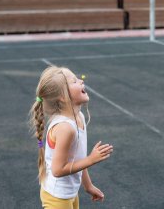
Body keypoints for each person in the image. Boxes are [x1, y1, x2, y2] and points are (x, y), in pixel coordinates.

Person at [29, 66, 113, 209]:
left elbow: (76, 157)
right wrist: (90, 159)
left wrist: (88, 185)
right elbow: (57, 170)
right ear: (63, 96)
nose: (81, 81)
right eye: (74, 81)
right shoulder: (65, 128)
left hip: (69, 193)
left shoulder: (78, 117)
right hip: (57, 197)